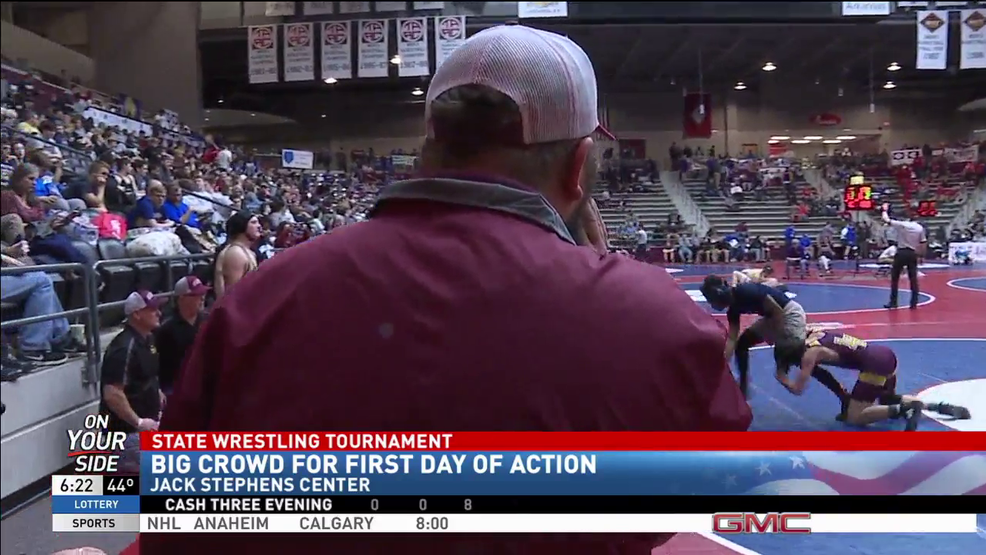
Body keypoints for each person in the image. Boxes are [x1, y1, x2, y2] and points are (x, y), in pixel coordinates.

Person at [150, 24, 750, 555]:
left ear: (430, 146)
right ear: (578, 166)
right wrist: (608, 279)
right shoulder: (648, 317)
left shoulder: (262, 298)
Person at [699, 275, 847, 411]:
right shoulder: (733, 309)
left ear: (719, 295)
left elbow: (778, 312)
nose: (711, 304)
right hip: (773, 317)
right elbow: (732, 338)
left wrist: (774, 335)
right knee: (742, 345)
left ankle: (840, 392)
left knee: (797, 357)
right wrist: (724, 362)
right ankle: (743, 388)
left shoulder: (746, 291)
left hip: (788, 314)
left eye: (711, 300)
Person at [774, 331, 970, 430]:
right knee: (886, 400)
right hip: (886, 355)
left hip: (875, 365)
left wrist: (782, 378)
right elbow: (827, 378)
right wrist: (844, 396)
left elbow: (798, 389)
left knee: (855, 417)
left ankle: (906, 409)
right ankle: (936, 407)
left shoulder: (809, 355)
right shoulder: (812, 334)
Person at [99, 290, 164, 433]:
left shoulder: (149, 339)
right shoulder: (123, 347)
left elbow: (148, 376)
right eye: (152, 310)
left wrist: (157, 394)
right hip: (126, 432)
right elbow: (112, 393)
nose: (159, 313)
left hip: (150, 424)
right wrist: (138, 422)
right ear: (137, 314)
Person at [154, 276, 208, 395]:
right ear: (182, 298)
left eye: (202, 294)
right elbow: (154, 362)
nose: (202, 298)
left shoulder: (207, 320)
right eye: (196, 295)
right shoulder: (165, 328)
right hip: (174, 386)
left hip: (202, 383)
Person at [881, 205, 926, 309]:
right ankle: (914, 303)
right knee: (913, 279)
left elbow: (886, 220)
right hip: (912, 253)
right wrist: (921, 256)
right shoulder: (920, 228)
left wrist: (884, 210)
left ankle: (893, 302)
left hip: (901, 252)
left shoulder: (903, 225)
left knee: (895, 278)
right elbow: (923, 243)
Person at [213, 211, 260, 298]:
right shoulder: (236, 253)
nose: (259, 226)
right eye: (253, 222)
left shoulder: (248, 251)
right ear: (241, 227)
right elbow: (233, 295)